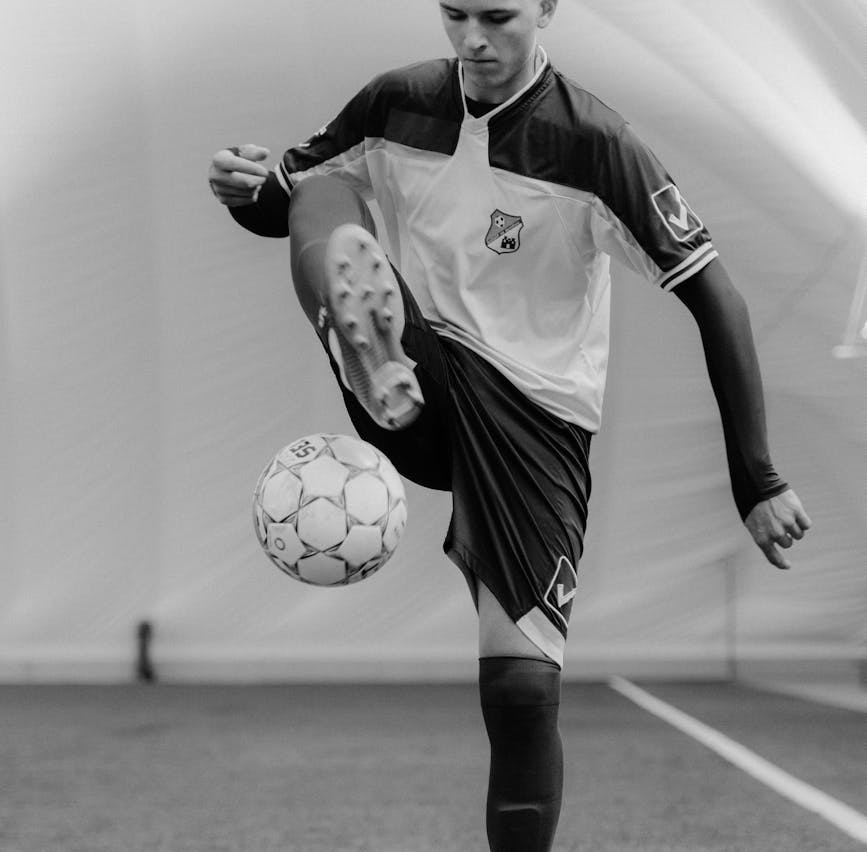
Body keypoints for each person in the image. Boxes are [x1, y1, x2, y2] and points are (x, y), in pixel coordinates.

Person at [208, 1, 812, 849]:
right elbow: (278, 203)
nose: (474, 40)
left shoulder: (596, 145)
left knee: (523, 693)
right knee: (324, 186)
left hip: (536, 419)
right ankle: (374, 347)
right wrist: (242, 190)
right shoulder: (395, 102)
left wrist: (757, 478)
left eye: (497, 16)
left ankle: (369, 341)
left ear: (546, 9)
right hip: (426, 372)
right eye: (455, 15)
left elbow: (716, 298)